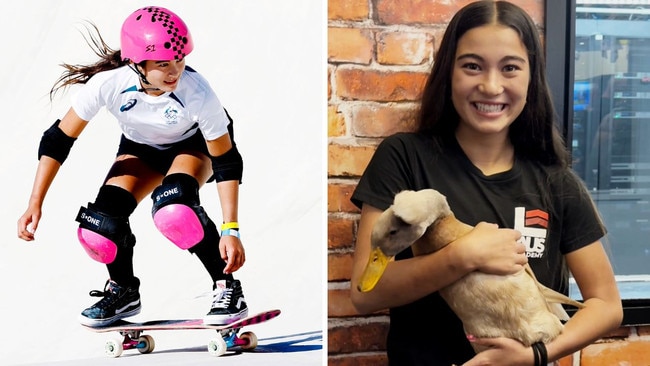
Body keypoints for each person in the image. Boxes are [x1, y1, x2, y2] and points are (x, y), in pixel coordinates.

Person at [349, 1, 622, 365]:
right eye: (472, 66)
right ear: (449, 72)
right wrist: (464, 255)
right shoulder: (403, 158)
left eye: (510, 68)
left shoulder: (556, 181)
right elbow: (364, 293)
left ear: (531, 77)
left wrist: (536, 356)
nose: (491, 86)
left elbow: (606, 304)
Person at [17, 6, 249, 327]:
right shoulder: (108, 84)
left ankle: (227, 287)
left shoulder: (197, 93)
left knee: (173, 211)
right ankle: (124, 291)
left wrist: (231, 229)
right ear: (135, 63)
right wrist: (34, 203)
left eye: (179, 60)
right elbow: (57, 139)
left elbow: (226, 160)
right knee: (97, 228)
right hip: (140, 151)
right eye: (163, 64)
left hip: (193, 147)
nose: (175, 72)